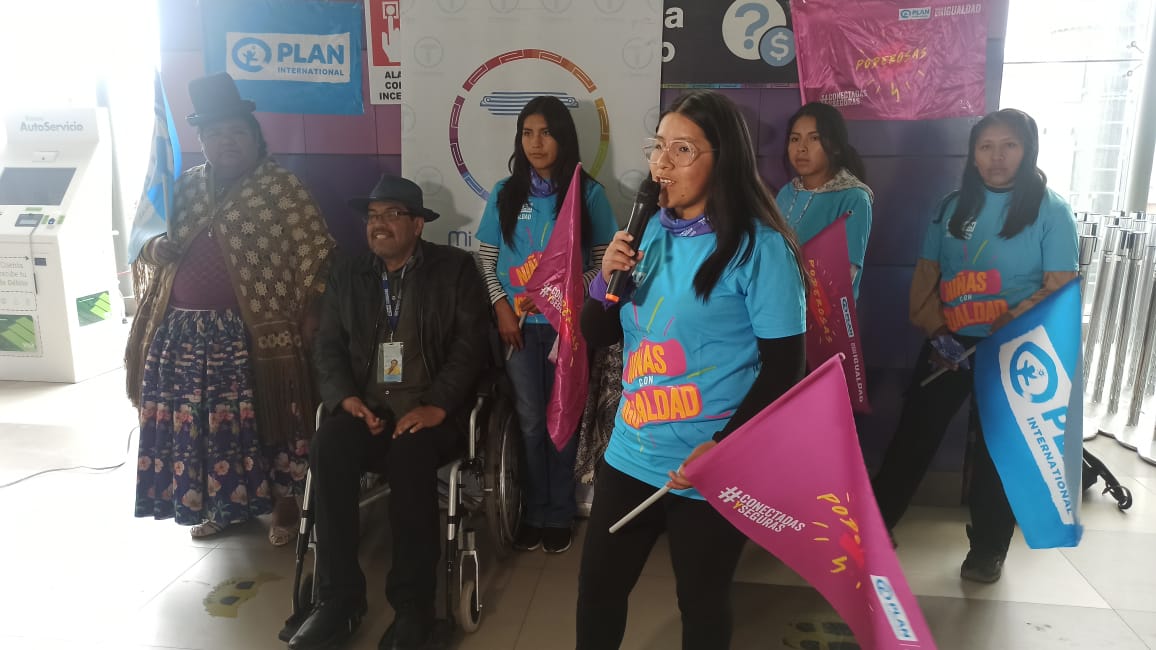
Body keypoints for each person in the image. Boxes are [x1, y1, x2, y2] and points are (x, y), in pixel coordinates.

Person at [576, 90, 808, 649]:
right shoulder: (647, 229)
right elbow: (597, 334)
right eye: (659, 147)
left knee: (701, 604)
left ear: (722, 158)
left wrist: (722, 447)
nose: (663, 164)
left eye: (682, 149)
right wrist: (605, 281)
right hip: (632, 452)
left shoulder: (761, 249)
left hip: (708, 468)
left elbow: (785, 370)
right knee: (598, 590)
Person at [870, 108, 1079, 583]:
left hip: (1016, 348)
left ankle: (987, 549)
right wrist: (935, 329)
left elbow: (1059, 287)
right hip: (949, 344)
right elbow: (927, 274)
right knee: (913, 436)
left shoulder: (1052, 210)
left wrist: (1007, 326)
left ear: (1027, 151)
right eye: (986, 146)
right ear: (973, 154)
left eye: (1009, 146)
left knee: (997, 451)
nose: (997, 157)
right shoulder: (951, 206)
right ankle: (875, 525)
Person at [126, 72, 335, 545]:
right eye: (215, 134)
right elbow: (147, 232)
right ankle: (225, 506)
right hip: (184, 334)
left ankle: (285, 508)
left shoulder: (282, 188)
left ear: (255, 136)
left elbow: (319, 251)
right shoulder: (183, 187)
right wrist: (155, 246)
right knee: (205, 428)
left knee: (273, 424)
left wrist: (312, 310)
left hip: (256, 334)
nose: (227, 142)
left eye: (237, 132)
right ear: (200, 141)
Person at [288, 175, 489, 650]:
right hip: (369, 412)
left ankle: (413, 607)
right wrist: (344, 398)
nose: (378, 225)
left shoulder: (454, 270)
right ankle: (337, 600)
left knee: (410, 456)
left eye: (391, 215)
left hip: (431, 416)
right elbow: (328, 347)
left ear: (418, 225)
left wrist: (438, 404)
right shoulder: (349, 273)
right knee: (329, 444)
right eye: (373, 216)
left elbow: (470, 345)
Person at [476, 95, 618, 554]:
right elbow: (488, 257)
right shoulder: (504, 192)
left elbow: (603, 263)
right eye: (527, 133)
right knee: (532, 421)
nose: (536, 143)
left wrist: (570, 300)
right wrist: (500, 307)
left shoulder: (587, 192)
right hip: (518, 327)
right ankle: (532, 509)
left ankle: (559, 512)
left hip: (567, 330)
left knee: (564, 418)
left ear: (563, 137)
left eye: (546, 132)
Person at [777, 101, 873, 298]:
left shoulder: (854, 197)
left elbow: (846, 274)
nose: (801, 148)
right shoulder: (787, 192)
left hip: (822, 316)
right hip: (778, 309)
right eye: (795, 139)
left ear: (836, 147)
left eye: (814, 138)